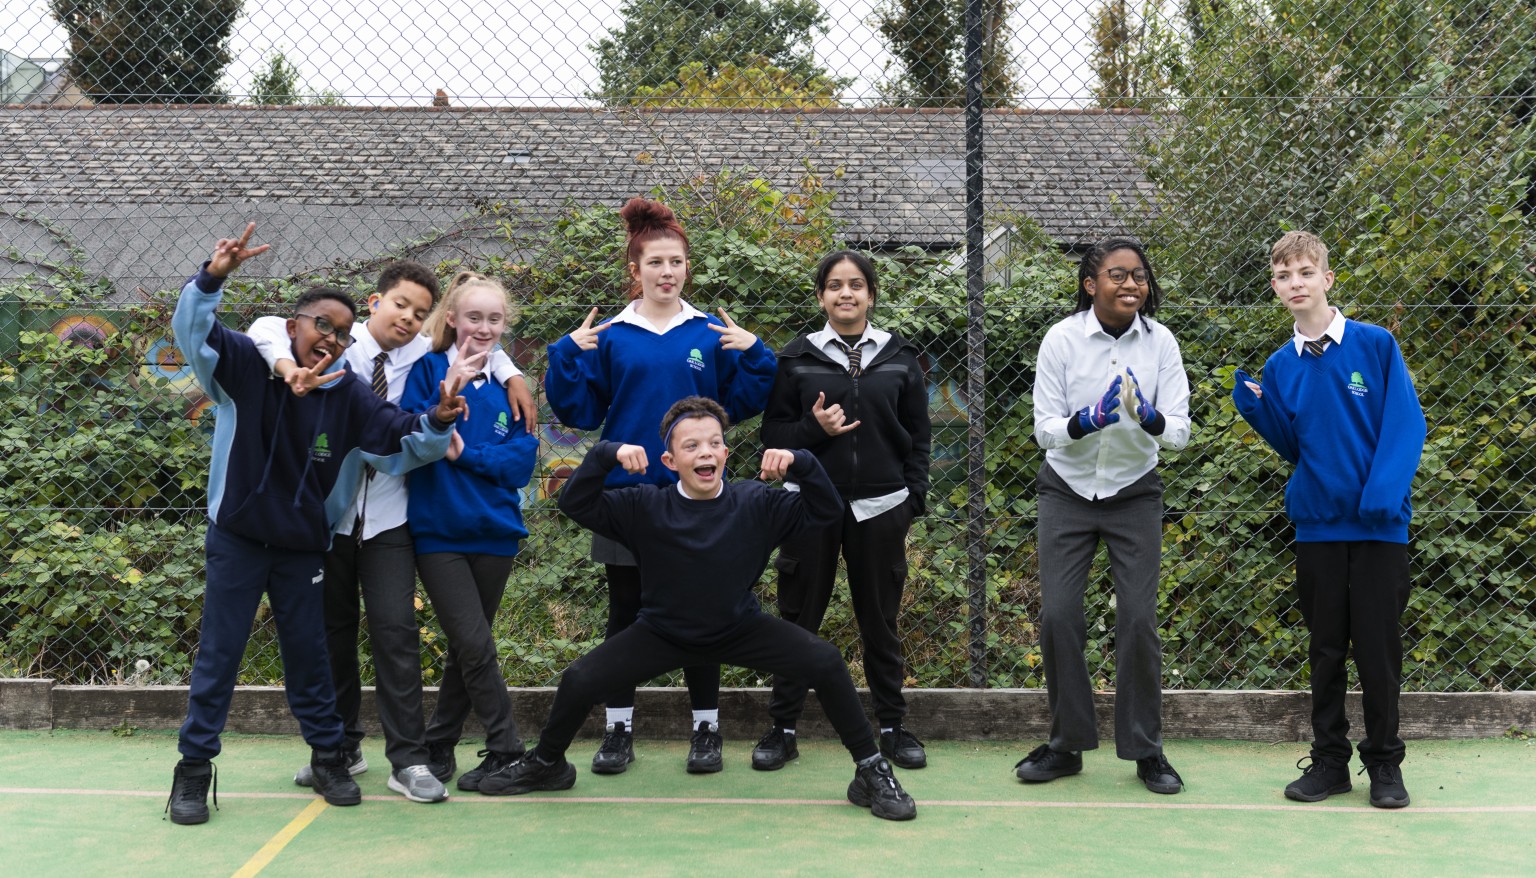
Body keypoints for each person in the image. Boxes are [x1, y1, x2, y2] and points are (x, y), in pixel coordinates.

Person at [475, 397, 917, 821]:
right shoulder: (644, 505)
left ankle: (870, 770)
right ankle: (549, 764)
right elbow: (575, 502)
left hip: (739, 628)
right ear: (670, 462)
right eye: (690, 446)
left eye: (712, 443)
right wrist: (608, 453)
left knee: (825, 660)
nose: (704, 452)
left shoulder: (757, 502)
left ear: (725, 452)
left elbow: (826, 510)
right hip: (662, 633)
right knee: (578, 679)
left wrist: (801, 461)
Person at [166, 224, 466, 824]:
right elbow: (194, 333)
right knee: (219, 656)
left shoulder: (351, 396)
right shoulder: (248, 370)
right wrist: (212, 277)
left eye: (340, 332)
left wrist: (435, 419)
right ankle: (193, 771)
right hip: (239, 540)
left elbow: (400, 439)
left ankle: (330, 757)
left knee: (309, 656)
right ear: (294, 327)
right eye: (319, 324)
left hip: (303, 548)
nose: (328, 337)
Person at [246, 261, 529, 804]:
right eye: (400, 304)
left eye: (420, 313)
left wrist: (511, 370)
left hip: (390, 519)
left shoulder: (424, 360)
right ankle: (341, 746)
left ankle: (408, 759)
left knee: (396, 632)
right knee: (332, 637)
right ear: (374, 302)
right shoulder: (338, 347)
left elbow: (476, 340)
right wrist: (285, 363)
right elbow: (264, 327)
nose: (408, 317)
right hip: (327, 521)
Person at [543, 197, 776, 775]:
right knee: (626, 613)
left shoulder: (709, 332)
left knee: (705, 609)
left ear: (687, 268)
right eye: (655, 263)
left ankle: (706, 729)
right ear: (635, 271)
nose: (666, 272)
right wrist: (565, 352)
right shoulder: (613, 336)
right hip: (630, 499)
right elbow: (577, 409)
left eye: (676, 262)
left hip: (698, 500)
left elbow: (742, 403)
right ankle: (618, 729)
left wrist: (756, 353)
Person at [1232, 230, 1425, 809]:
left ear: (1327, 279)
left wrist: (1381, 496)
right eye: (1284, 275)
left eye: (1305, 273)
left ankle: (1386, 765)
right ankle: (1330, 762)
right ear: (1274, 286)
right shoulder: (1279, 365)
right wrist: (1257, 410)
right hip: (1317, 526)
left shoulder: (1374, 345)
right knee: (1325, 649)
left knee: (1378, 649)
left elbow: (1405, 425)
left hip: (1377, 528)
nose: (1296, 283)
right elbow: (1298, 449)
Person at [1013, 236, 1191, 795]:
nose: (1132, 284)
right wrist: (1086, 421)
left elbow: (1181, 433)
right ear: (1091, 284)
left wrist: (1148, 416)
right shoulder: (1061, 340)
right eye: (1118, 275)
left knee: (1138, 619)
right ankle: (1066, 744)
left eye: (1139, 275)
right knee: (1059, 616)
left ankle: (1147, 749)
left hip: (1134, 491)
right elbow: (1044, 429)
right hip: (1066, 492)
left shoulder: (1161, 343)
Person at [753, 250, 932, 771]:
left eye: (856, 285)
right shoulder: (796, 358)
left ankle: (893, 727)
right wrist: (814, 431)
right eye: (834, 285)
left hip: (882, 507)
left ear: (871, 295)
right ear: (821, 297)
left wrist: (910, 498)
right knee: (798, 620)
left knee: (880, 619)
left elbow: (920, 436)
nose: (846, 293)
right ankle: (782, 727)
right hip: (810, 506)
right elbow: (774, 436)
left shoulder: (900, 357)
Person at [400, 271, 539, 794]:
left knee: (467, 647)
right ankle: (508, 750)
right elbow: (410, 430)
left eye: (494, 319)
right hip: (439, 534)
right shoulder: (428, 369)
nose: (483, 328)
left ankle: (439, 742)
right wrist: (441, 415)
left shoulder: (511, 384)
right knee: (476, 644)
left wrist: (469, 454)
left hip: (497, 533)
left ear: (505, 325)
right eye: (474, 317)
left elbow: (521, 462)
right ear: (453, 318)